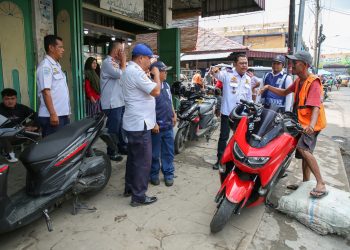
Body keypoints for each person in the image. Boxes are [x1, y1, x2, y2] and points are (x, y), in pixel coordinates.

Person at [259, 51, 328, 198]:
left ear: (304, 65)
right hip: (301, 123)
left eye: (295, 63)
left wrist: (311, 126)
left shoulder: (313, 81)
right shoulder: (298, 81)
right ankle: (305, 182)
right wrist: (268, 87)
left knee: (304, 150)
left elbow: (315, 107)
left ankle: (321, 183)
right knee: (304, 153)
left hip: (311, 125)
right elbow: (284, 92)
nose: (292, 65)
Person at [122, 43, 161, 207]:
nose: (150, 63)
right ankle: (138, 196)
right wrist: (156, 74)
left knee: (133, 159)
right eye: (149, 59)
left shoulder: (129, 70)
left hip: (134, 122)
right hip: (140, 124)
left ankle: (130, 188)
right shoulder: (136, 72)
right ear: (140, 58)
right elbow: (156, 91)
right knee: (143, 162)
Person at [211, 53, 252, 170]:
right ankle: (220, 160)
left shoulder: (248, 78)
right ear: (235, 64)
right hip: (227, 113)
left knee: (239, 138)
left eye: (246, 63)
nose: (244, 66)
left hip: (241, 115)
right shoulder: (227, 74)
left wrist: (250, 110)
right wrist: (214, 69)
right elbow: (215, 73)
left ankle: (236, 160)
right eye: (241, 63)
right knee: (223, 137)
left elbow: (248, 97)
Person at [149, 61, 176, 187]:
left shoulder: (166, 85)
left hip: (168, 125)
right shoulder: (151, 87)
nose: (166, 73)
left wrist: (174, 113)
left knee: (168, 152)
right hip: (157, 127)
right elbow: (147, 108)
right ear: (156, 72)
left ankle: (168, 174)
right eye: (164, 71)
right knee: (154, 153)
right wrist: (153, 123)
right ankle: (154, 174)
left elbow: (169, 101)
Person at [36, 35, 70, 137]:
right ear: (51, 48)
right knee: (52, 148)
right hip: (51, 116)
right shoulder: (45, 66)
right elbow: (46, 91)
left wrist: (66, 111)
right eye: (60, 47)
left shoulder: (56, 65)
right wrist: (52, 114)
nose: (63, 50)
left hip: (61, 114)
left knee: (62, 146)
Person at [100, 40, 127, 161]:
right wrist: (124, 62)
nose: (123, 53)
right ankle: (111, 151)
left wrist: (123, 62)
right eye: (121, 50)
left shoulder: (117, 62)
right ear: (116, 50)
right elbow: (121, 74)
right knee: (113, 128)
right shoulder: (107, 63)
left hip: (119, 101)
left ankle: (121, 146)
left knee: (120, 126)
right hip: (111, 103)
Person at [0, 88, 38, 162]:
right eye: (7, 99)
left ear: (16, 98)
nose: (10, 101)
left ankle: (33, 150)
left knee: (40, 124)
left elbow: (35, 116)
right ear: (3, 99)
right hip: (5, 136)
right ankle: (9, 153)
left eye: (12, 98)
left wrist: (34, 126)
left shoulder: (21, 108)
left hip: (21, 133)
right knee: (2, 134)